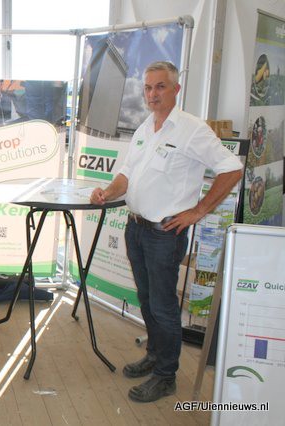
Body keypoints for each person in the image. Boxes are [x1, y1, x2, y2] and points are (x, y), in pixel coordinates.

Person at [90, 61, 242, 403]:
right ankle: (155, 355)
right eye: (148, 87)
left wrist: (200, 210)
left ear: (176, 89)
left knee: (163, 306)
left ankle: (165, 376)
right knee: (147, 300)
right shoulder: (146, 127)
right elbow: (127, 174)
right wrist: (107, 192)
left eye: (160, 86)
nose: (152, 94)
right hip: (136, 229)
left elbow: (232, 168)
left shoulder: (191, 129)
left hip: (164, 235)